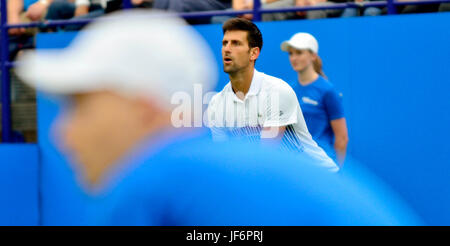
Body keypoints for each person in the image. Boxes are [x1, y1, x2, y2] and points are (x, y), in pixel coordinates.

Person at [15, 10, 420, 226]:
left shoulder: (155, 177)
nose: (62, 132)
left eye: (80, 104)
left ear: (144, 108)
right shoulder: (203, 161)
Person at [207, 18, 339, 172]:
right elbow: (226, 160)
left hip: (319, 178)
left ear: (254, 53)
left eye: (236, 43)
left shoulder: (277, 91)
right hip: (282, 180)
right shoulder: (216, 104)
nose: (227, 49)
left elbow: (266, 157)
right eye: (225, 43)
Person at [280, 32, 349, 166]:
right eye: (291, 53)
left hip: (322, 166)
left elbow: (342, 138)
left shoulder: (327, 90)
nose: (294, 58)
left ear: (313, 55)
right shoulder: (288, 90)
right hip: (297, 165)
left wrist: (338, 171)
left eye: (299, 53)